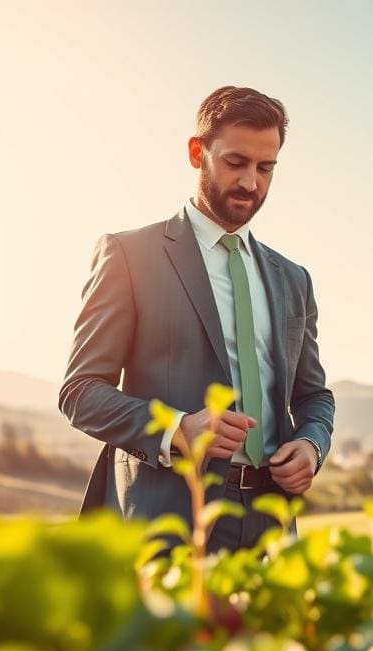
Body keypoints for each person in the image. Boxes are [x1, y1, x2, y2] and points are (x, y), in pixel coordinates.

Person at [59, 85, 334, 551]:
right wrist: (178, 429)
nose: (251, 182)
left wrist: (312, 445)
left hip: (271, 519)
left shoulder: (294, 279)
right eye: (236, 163)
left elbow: (313, 396)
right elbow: (80, 393)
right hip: (163, 519)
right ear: (196, 152)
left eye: (266, 168)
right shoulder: (128, 255)